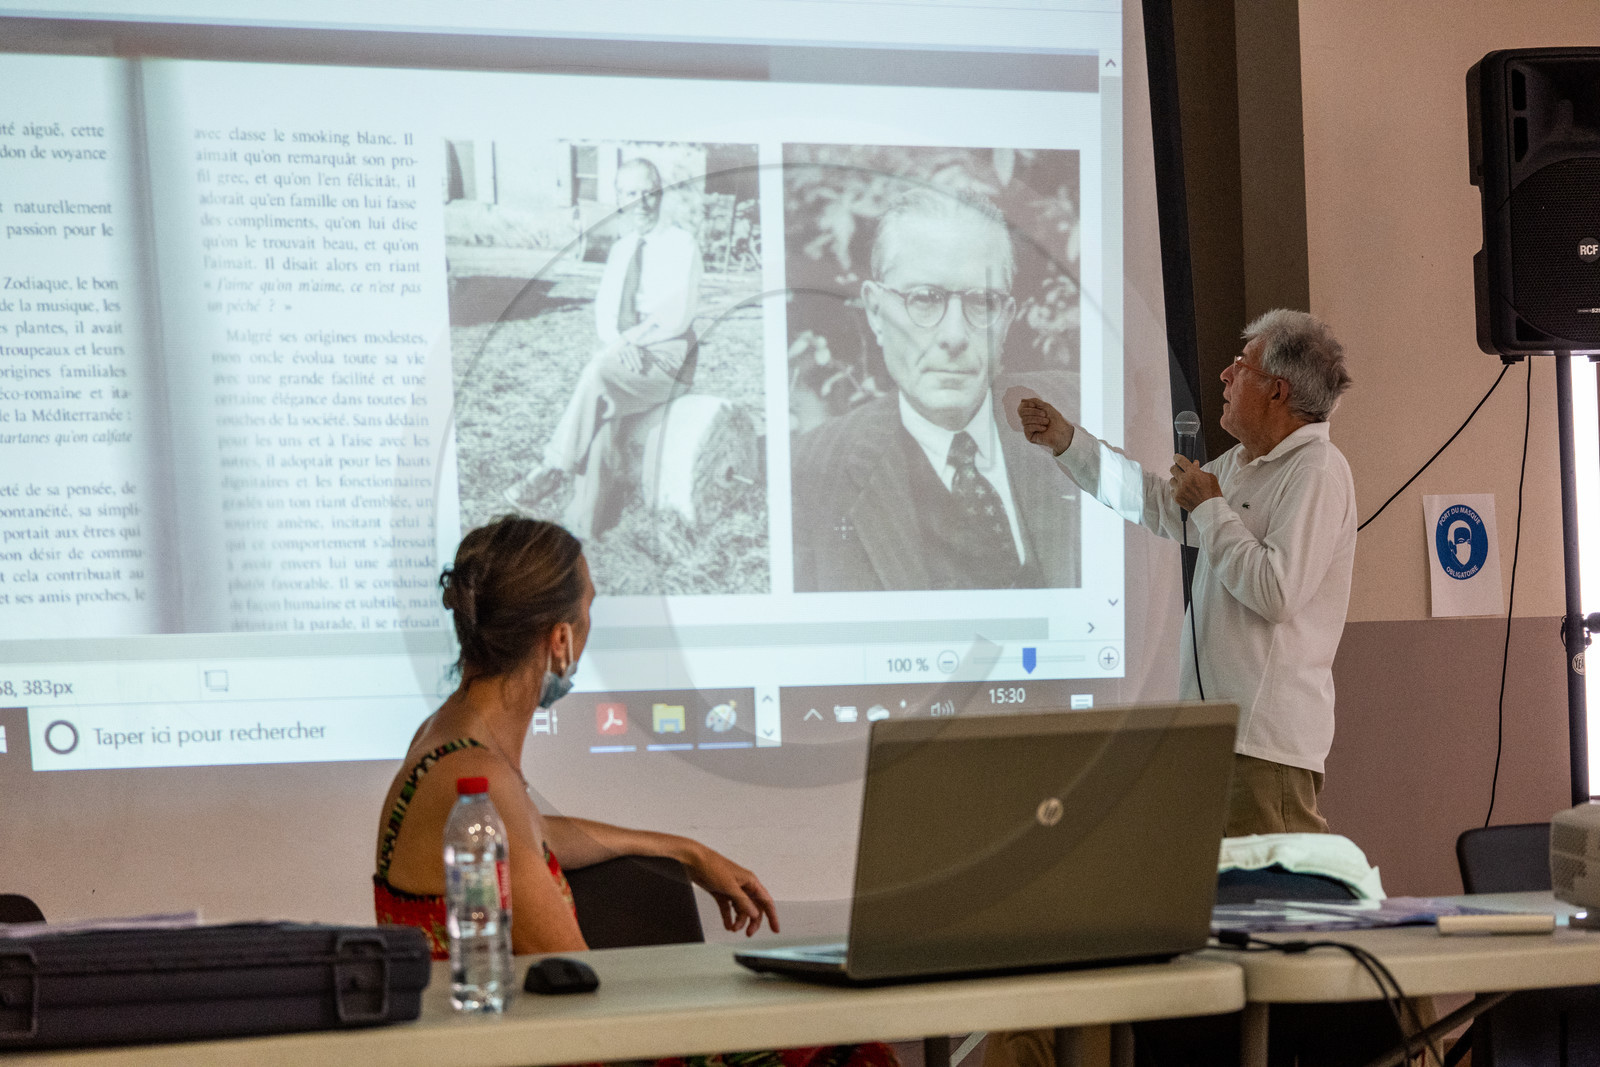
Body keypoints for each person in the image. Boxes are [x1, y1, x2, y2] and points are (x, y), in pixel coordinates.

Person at [1018, 309, 1355, 836]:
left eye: (1241, 364)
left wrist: (1212, 510)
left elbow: (1276, 593)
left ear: (1276, 392)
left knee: (1268, 910)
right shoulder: (1245, 463)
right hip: (1215, 736)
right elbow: (1159, 504)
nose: (1225, 374)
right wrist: (1069, 443)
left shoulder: (1316, 471)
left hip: (1264, 747)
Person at [372, 516, 776, 956]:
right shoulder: (476, 776)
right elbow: (575, 979)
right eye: (589, 611)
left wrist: (688, 852)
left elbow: (534, 833)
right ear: (561, 639)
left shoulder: (447, 735)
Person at [790, 187, 1079, 592]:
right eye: (925, 299)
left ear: (1007, 319)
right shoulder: (812, 473)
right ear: (876, 311)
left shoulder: (1083, 414)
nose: (954, 335)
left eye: (981, 301)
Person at [504, 158, 703, 538]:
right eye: (631, 194)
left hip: (669, 358)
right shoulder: (621, 249)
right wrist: (619, 343)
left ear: (660, 193)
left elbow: (676, 316)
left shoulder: (682, 244)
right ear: (620, 200)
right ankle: (584, 522)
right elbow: (605, 314)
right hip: (628, 355)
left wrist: (628, 343)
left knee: (598, 374)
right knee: (602, 414)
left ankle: (552, 467)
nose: (642, 202)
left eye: (649, 192)